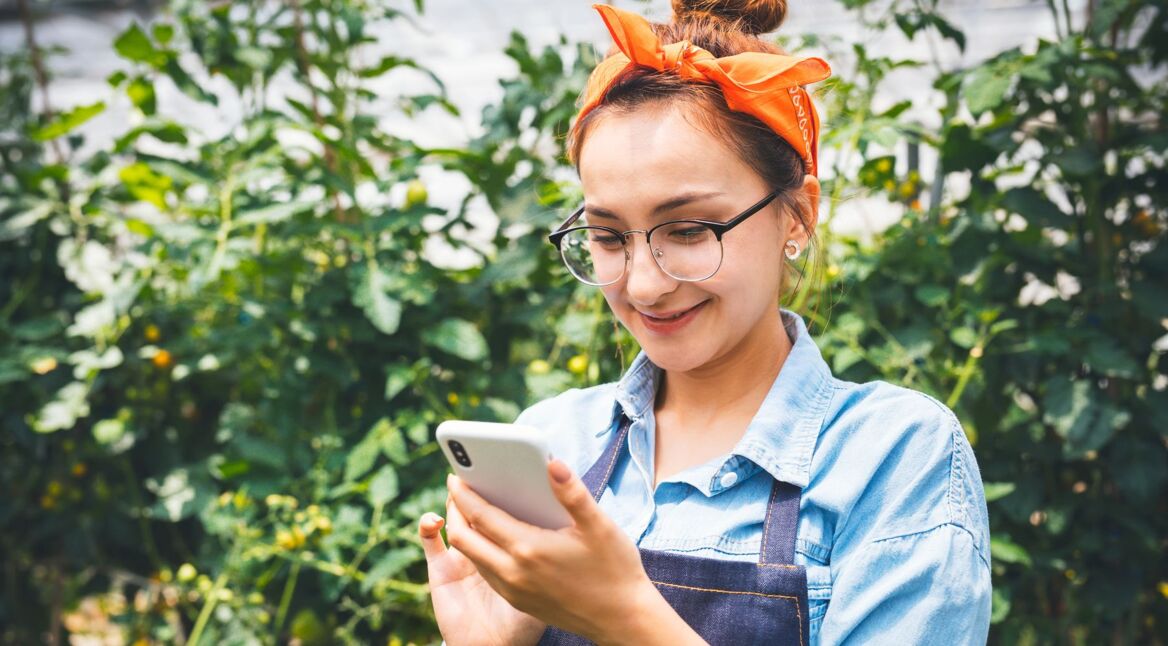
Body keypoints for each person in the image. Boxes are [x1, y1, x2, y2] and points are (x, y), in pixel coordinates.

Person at [418, 1, 992, 643]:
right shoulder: (555, 441)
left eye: (689, 230)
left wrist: (622, 615)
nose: (644, 283)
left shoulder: (892, 457)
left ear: (797, 216)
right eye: (608, 237)